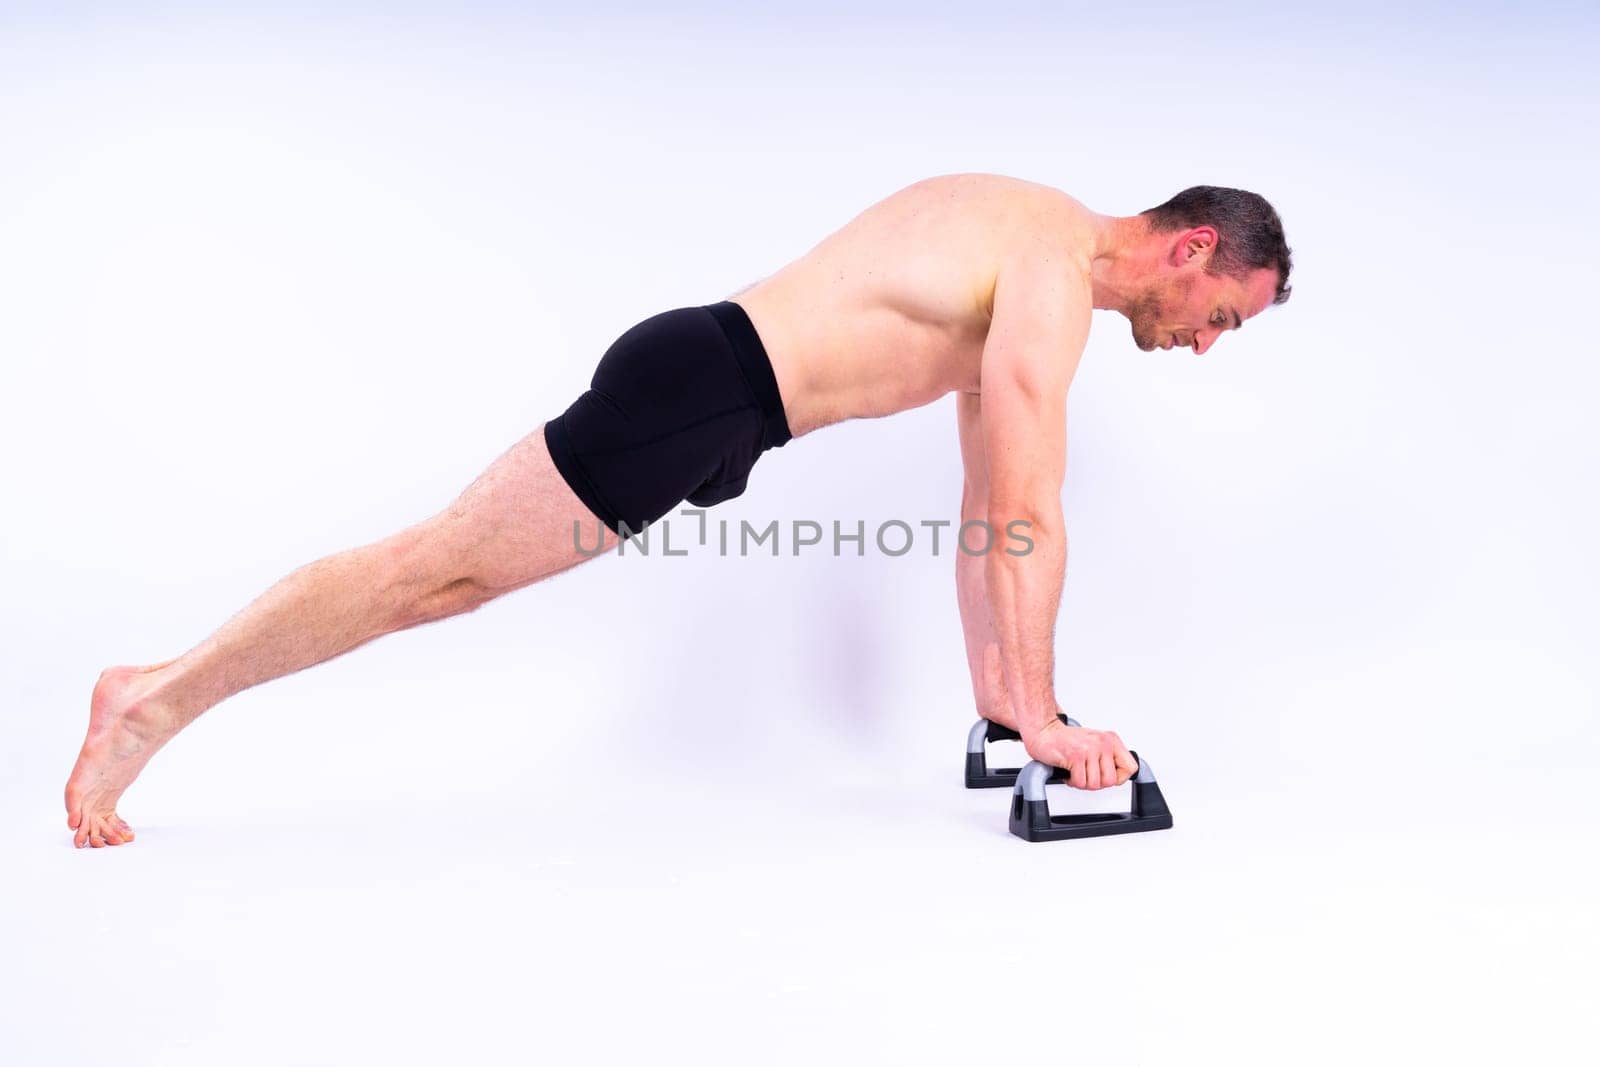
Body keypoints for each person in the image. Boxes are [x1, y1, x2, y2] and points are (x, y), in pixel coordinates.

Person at [64, 172, 1293, 848]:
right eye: (1222, 317)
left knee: (436, 573)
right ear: (1191, 248)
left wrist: (1008, 709)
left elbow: (986, 512)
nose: (1200, 345)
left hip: (719, 398)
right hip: (704, 388)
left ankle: (160, 688)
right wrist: (1043, 728)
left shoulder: (1031, 251)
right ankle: (154, 693)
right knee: (433, 574)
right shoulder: (1046, 270)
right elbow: (1029, 505)